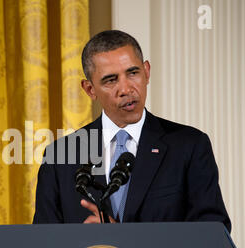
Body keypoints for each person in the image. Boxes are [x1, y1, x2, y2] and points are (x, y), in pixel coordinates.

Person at [32, 30, 231, 233]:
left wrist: (121, 237)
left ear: (147, 71)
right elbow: (44, 245)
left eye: (133, 73)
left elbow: (213, 234)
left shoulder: (189, 145)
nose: (126, 89)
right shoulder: (60, 157)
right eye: (111, 80)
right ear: (90, 89)